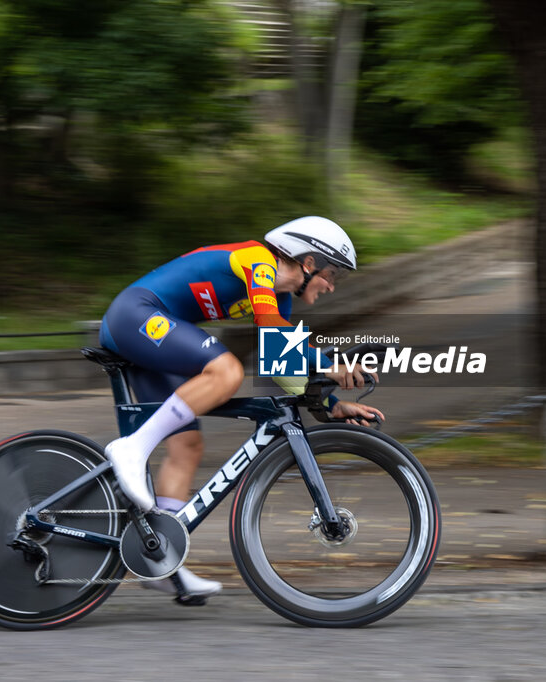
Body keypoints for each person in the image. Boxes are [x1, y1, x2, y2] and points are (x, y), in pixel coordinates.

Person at [98, 216, 384, 598]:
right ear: (309, 262)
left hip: (152, 333)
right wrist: (330, 363)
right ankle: (131, 449)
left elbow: (279, 364)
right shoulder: (258, 262)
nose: (331, 286)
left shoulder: (278, 295)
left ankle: (160, 561)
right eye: (331, 274)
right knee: (226, 370)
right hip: (135, 315)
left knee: (186, 446)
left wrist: (332, 406)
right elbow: (273, 334)